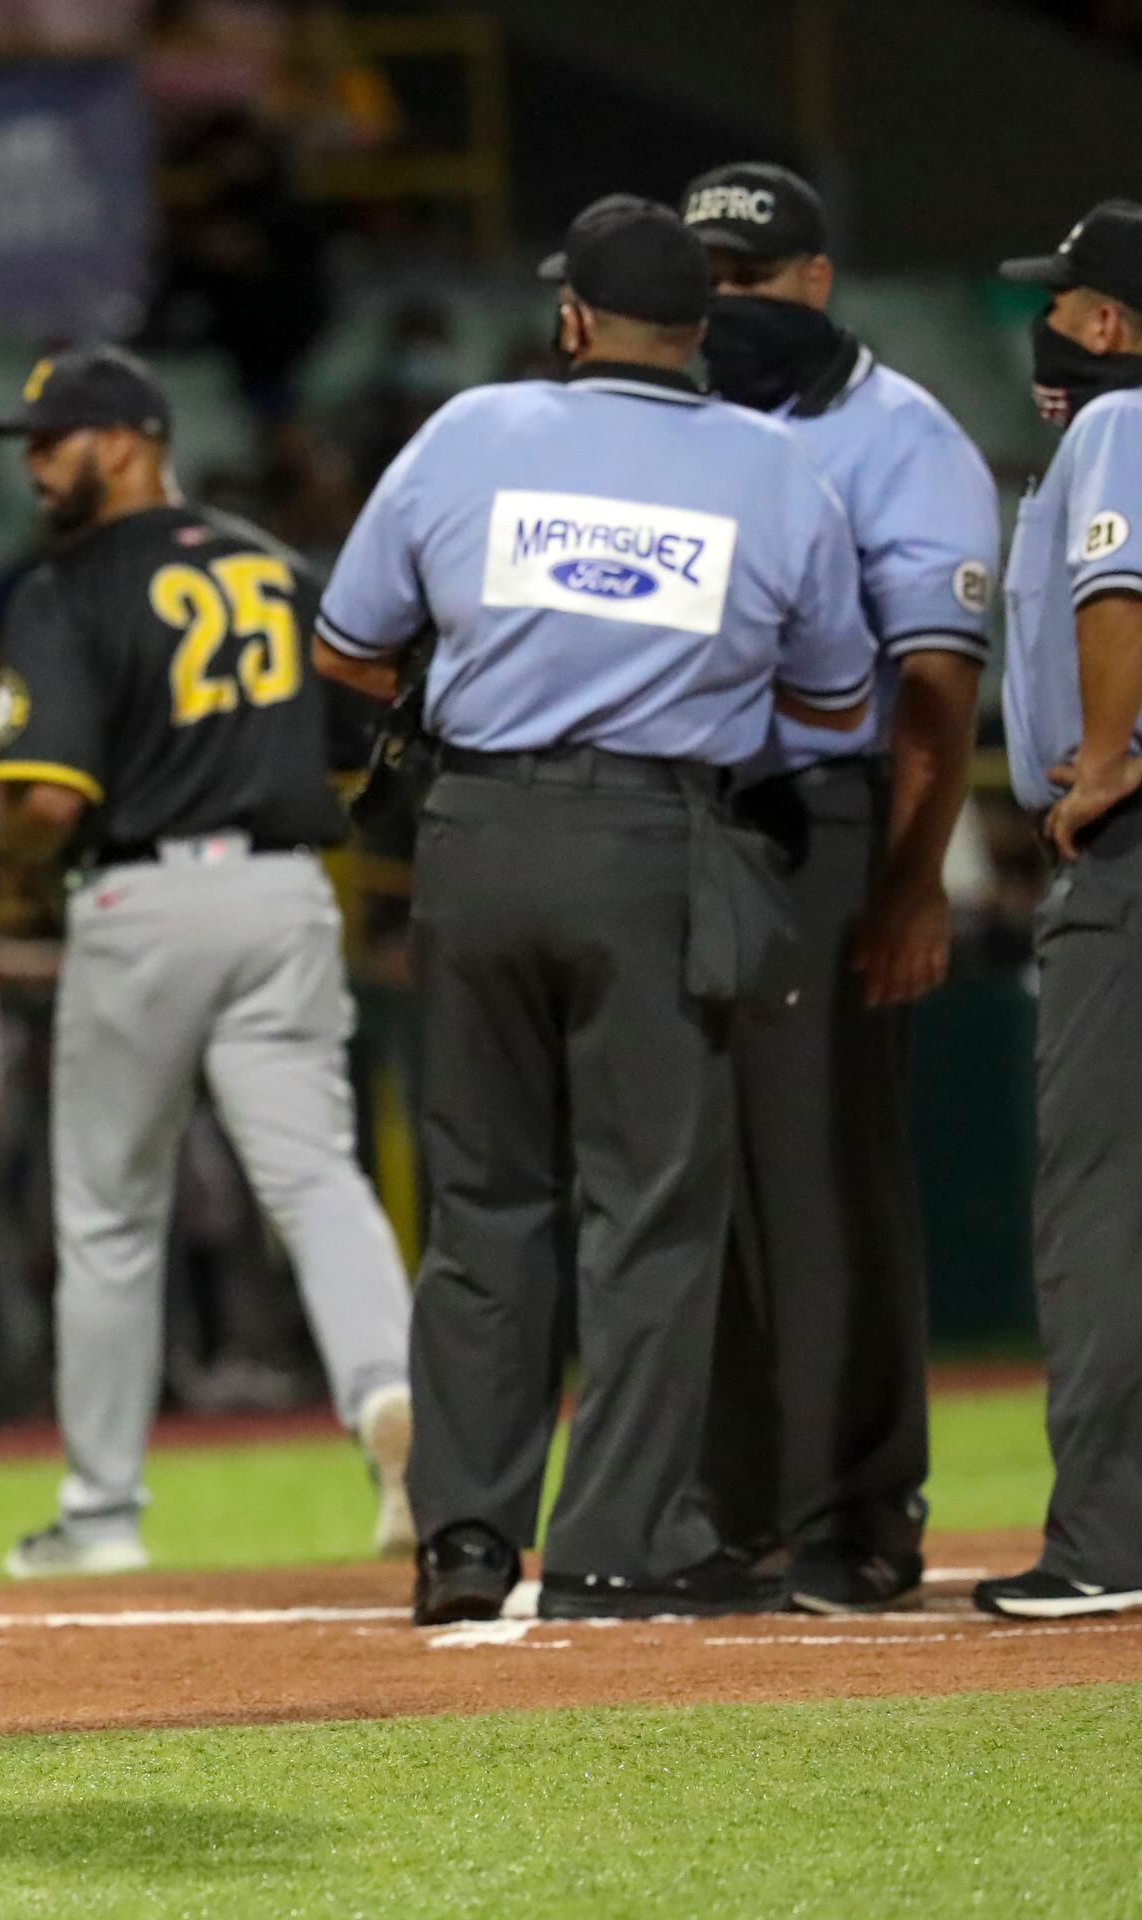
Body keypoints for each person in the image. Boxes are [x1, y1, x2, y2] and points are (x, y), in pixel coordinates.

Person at [316, 197, 876, 1626]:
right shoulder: (774, 464)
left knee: (484, 1199)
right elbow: (835, 699)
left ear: (573, 319)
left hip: (481, 835)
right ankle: (620, 1543)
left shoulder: (470, 432)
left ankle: (464, 1542)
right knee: (651, 1209)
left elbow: (350, 644)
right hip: (656, 838)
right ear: (699, 329)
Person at [0, 343, 416, 1579]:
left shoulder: (67, 587)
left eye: (53, 443)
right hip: (286, 889)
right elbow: (367, 727)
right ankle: (391, 1395)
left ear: (125, 439)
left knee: (112, 1214)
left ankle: (101, 1514)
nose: (37, 471)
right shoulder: (278, 568)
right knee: (318, 1177)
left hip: (143, 897)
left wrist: (6, 852)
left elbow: (48, 801)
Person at [681, 162, 1000, 1614]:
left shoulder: (900, 435)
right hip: (679, 816)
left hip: (824, 819)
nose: (725, 307)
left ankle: (856, 1515)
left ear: (815, 278)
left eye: (750, 281)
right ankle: (728, 1503)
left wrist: (912, 883)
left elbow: (937, 681)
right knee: (693, 1178)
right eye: (707, 283)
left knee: (823, 1178)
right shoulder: (673, 420)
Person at [984, 200, 1142, 1620]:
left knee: (1105, 1192)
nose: (1049, 325)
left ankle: (1109, 1540)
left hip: (1136, 852)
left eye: (1066, 302)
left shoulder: (1118, 424)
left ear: (1103, 320)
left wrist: (1104, 765)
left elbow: (1118, 585)